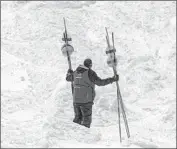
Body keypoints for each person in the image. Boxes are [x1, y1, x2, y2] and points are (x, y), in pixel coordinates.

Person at [66, 58, 119, 128]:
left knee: (77, 120)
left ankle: (75, 136)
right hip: (86, 101)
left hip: (76, 100)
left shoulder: (76, 72)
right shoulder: (90, 73)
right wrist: (113, 79)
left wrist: (69, 73)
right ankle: (85, 137)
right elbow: (100, 83)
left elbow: (68, 78)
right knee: (86, 122)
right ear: (90, 65)